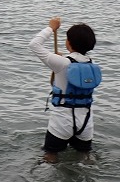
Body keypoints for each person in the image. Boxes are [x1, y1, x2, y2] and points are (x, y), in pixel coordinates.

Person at [29, 17, 101, 163]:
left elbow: (34, 44)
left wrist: (51, 28)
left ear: (69, 42)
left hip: (62, 122)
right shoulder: (92, 65)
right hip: (86, 123)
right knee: (85, 158)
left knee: (50, 157)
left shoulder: (61, 63)